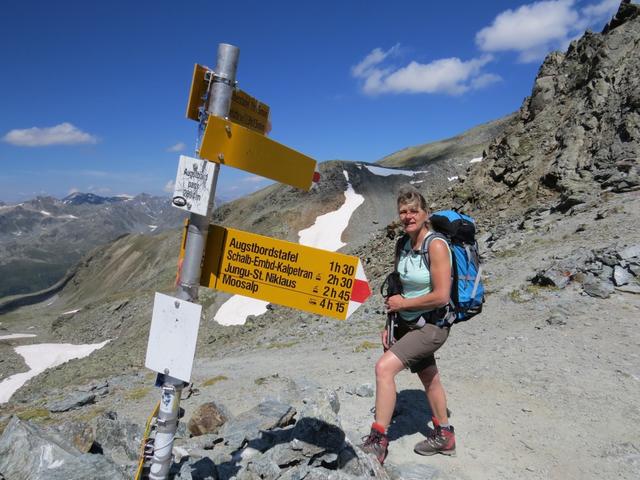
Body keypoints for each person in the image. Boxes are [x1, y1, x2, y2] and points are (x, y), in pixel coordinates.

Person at [360, 185, 456, 464]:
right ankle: (445, 435)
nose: (408, 216)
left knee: (383, 368)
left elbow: (441, 296)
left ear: (425, 213)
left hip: (433, 325)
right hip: (405, 322)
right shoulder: (402, 244)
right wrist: (390, 322)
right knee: (429, 376)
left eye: (414, 211)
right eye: (403, 212)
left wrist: (404, 305)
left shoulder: (435, 245)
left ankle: (378, 440)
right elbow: (396, 288)